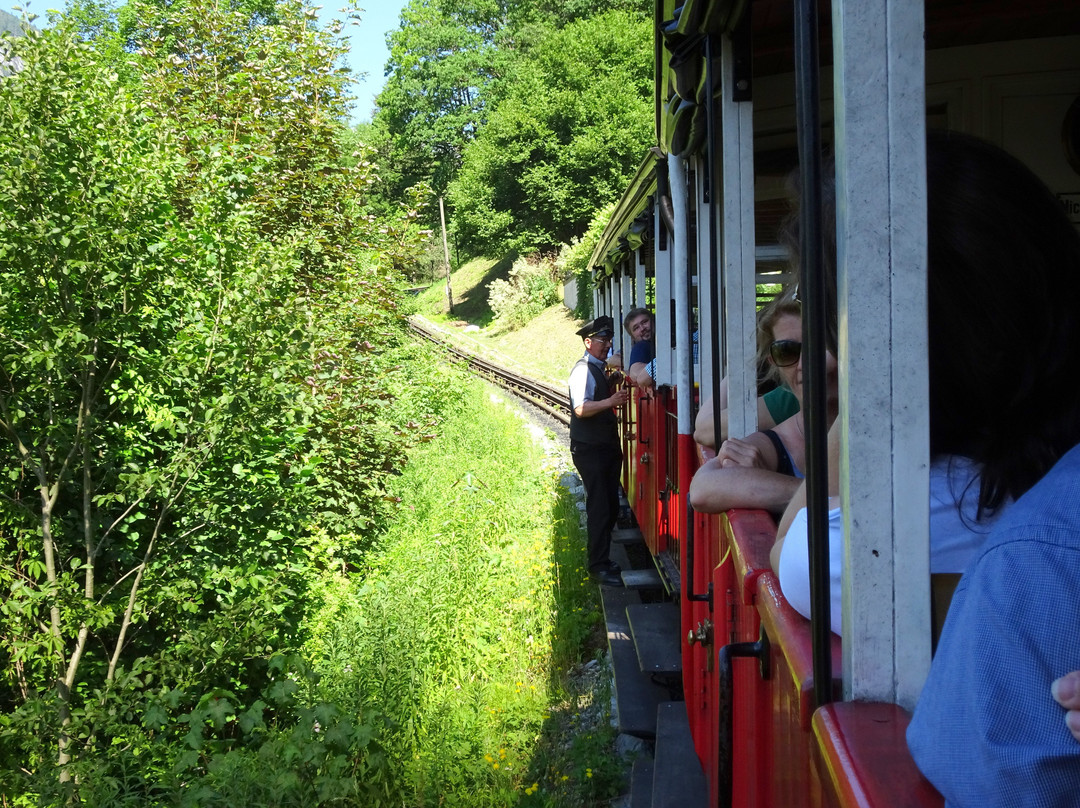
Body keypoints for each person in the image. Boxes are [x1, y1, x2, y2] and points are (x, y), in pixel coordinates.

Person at [765, 131, 1080, 803]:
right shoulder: (1038, 477)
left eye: (837, 324)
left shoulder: (959, 526)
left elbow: (792, 553)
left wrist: (858, 407)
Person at [689, 291, 838, 516]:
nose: (804, 364)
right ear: (773, 362)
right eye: (786, 351)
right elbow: (703, 489)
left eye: (820, 345)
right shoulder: (784, 408)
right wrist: (837, 502)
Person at [568, 315, 631, 587]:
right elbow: (581, 408)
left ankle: (603, 560)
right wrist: (612, 400)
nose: (607, 345)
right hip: (590, 449)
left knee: (608, 504)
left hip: (600, 448)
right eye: (602, 341)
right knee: (600, 506)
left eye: (609, 340)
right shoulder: (583, 369)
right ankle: (597, 566)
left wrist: (611, 383)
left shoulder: (597, 368)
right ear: (588, 342)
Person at [625, 308, 655, 389]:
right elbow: (635, 374)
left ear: (653, 321)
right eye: (636, 328)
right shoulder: (641, 346)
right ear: (632, 337)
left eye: (645, 322)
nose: (642, 329)